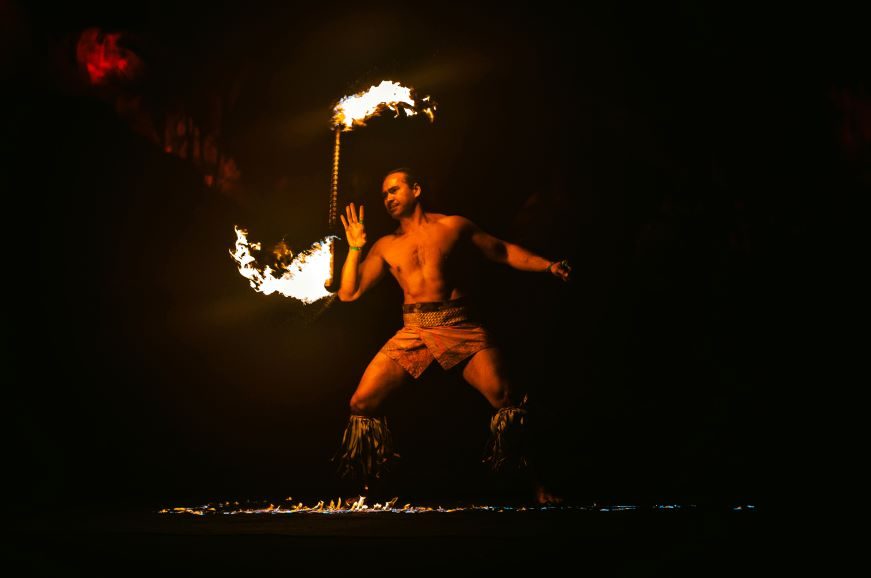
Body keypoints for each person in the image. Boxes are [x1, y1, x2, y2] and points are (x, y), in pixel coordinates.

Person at [334, 168, 570, 502]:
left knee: (505, 397)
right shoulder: (386, 246)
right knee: (360, 402)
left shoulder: (453, 226)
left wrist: (547, 265)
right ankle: (363, 492)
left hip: (459, 325)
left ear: (416, 189)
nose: (387, 198)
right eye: (384, 194)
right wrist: (355, 248)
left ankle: (539, 486)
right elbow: (349, 293)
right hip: (414, 330)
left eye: (394, 189)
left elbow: (502, 251)